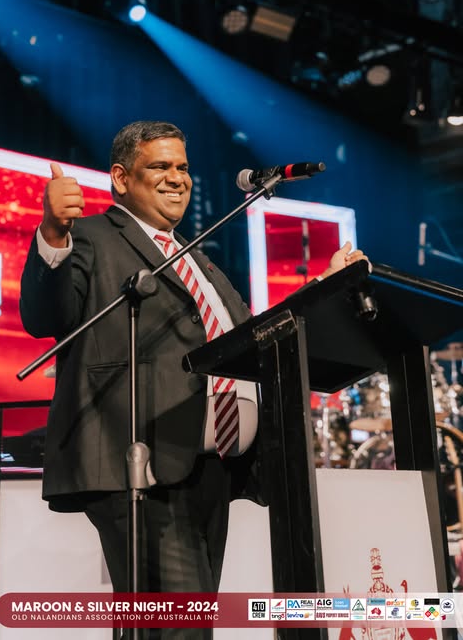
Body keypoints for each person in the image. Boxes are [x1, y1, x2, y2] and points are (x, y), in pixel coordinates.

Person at [19, 120, 369, 634]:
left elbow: (251, 337)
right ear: (121, 178)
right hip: (140, 465)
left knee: (171, 626)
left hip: (208, 470)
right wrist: (53, 233)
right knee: (181, 627)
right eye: (160, 166)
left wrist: (324, 285)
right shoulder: (92, 237)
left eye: (182, 167)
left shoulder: (194, 257)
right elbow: (44, 316)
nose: (177, 178)